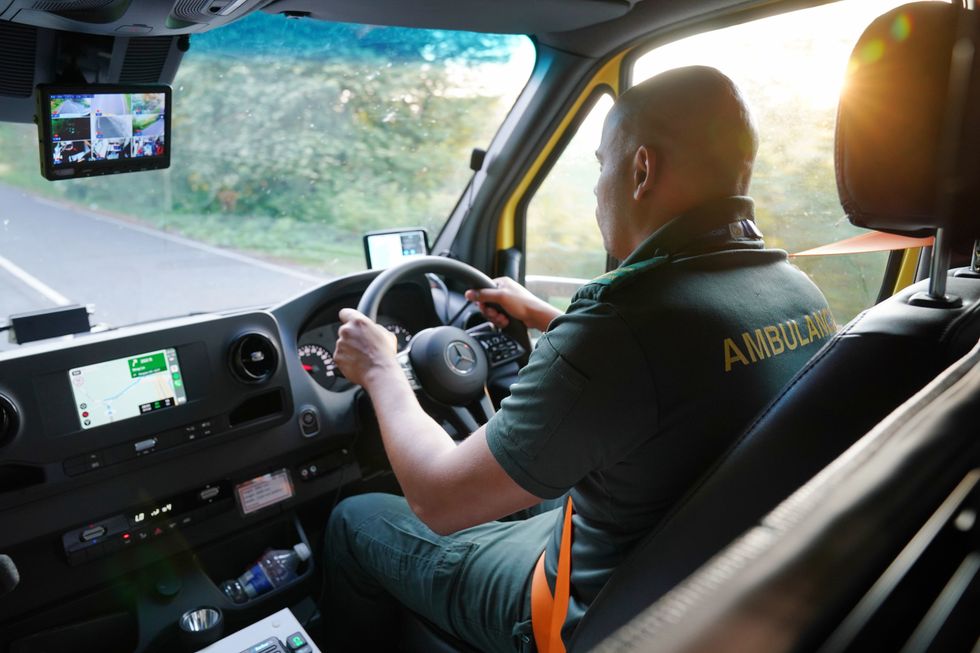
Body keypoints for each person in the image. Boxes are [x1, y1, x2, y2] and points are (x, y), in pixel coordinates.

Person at [323, 65, 834, 652]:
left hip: (586, 613)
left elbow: (438, 500)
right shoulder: (796, 290)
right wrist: (548, 317)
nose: (598, 190)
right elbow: (675, 371)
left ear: (641, 169)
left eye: (600, 167)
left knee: (356, 519)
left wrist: (382, 368)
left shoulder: (623, 324)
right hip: (696, 576)